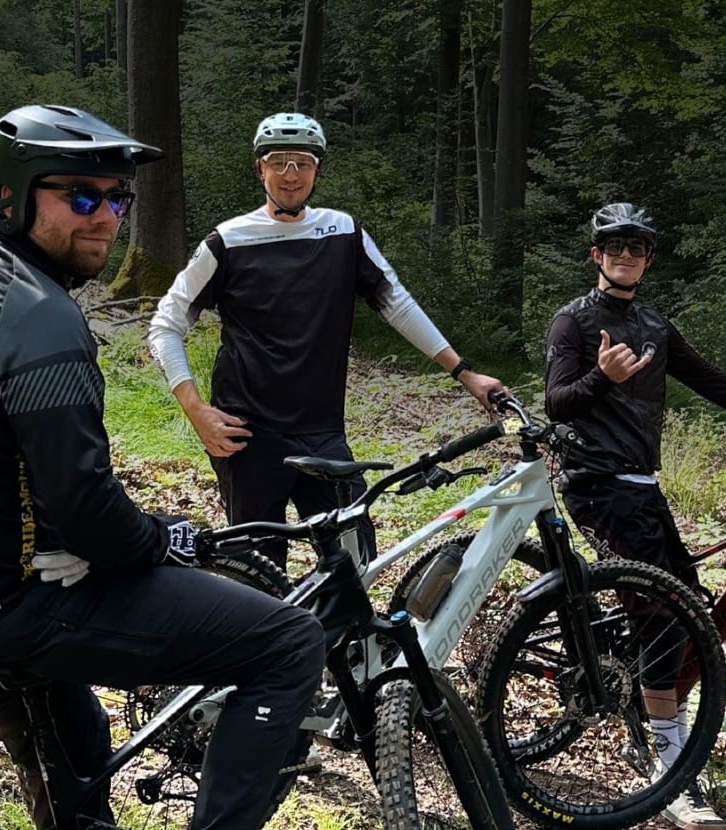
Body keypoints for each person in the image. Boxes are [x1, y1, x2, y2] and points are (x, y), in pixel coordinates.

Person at [0, 105, 325, 830]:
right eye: (79, 196)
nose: (106, 215)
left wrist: (84, 535)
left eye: (118, 198)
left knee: (77, 735)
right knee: (288, 643)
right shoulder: (42, 318)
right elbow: (85, 509)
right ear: (12, 197)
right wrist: (161, 538)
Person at [543, 202, 726, 830]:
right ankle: (672, 775)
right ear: (596, 255)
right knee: (666, 622)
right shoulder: (573, 321)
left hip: (642, 486)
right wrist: (601, 378)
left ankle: (652, 717)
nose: (625, 256)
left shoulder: (654, 325)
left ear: (648, 259)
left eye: (636, 247)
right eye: (614, 246)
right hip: (596, 484)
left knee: (690, 610)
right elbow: (556, 402)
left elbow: (711, 380)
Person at [147, 112, 505, 569]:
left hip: (322, 433)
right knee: (259, 573)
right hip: (247, 436)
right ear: (260, 168)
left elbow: (397, 304)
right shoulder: (229, 241)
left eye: (303, 162)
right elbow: (166, 323)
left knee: (357, 563)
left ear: (317, 170)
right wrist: (196, 410)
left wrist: (465, 374)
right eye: (279, 161)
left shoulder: (344, 233)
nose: (290, 174)